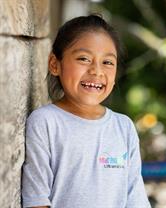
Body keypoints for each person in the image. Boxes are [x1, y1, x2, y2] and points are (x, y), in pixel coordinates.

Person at [22, 14, 151, 208]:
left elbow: (135, 198)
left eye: (107, 62)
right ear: (55, 64)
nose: (97, 71)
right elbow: (36, 199)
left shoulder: (124, 127)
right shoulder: (45, 122)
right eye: (84, 58)